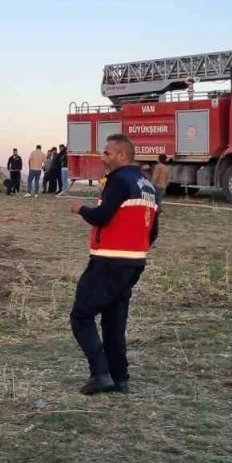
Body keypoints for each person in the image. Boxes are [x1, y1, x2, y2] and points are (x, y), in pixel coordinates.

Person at [67, 134, 159, 395]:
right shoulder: (148, 186)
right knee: (114, 320)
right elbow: (153, 230)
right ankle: (120, 378)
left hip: (108, 260)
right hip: (134, 263)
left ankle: (101, 373)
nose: (102, 157)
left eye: (107, 153)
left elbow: (103, 216)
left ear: (121, 155)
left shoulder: (119, 180)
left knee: (81, 316)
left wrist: (80, 209)